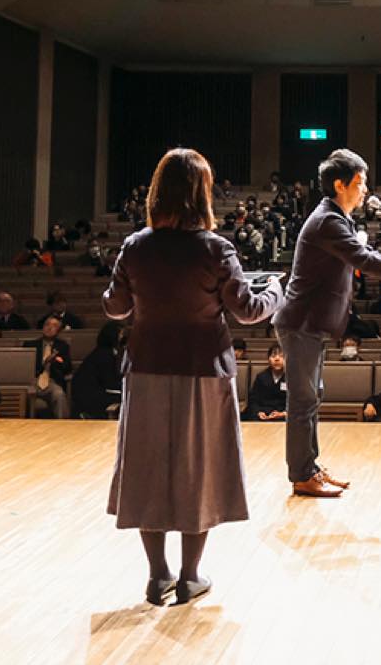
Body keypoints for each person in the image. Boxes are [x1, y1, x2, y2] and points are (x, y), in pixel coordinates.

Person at [103, 148, 285, 606]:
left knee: (147, 469)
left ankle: (156, 575)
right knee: (197, 471)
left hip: (145, 369)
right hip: (203, 370)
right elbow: (246, 311)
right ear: (201, 193)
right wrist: (276, 292)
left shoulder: (135, 247)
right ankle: (190, 576)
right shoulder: (215, 248)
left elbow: (116, 307)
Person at [275, 149, 381, 499]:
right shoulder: (328, 222)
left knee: (311, 397)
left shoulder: (338, 220)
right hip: (301, 322)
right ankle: (302, 475)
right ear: (340, 184)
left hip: (312, 324)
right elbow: (363, 257)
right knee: (302, 402)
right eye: (360, 183)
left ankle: (310, 467)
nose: (365, 189)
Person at [72, 323, 125, 420]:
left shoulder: (104, 352)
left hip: (93, 390)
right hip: (89, 394)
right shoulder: (104, 355)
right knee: (125, 396)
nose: (122, 337)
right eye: (120, 334)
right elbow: (109, 382)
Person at [24, 314, 73, 420]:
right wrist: (44, 362)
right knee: (28, 392)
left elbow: (67, 368)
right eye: (47, 325)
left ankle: (64, 427)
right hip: (33, 380)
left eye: (54, 326)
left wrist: (54, 362)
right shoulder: (30, 344)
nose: (49, 328)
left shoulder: (63, 346)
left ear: (59, 331)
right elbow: (24, 366)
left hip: (52, 381)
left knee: (59, 394)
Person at [244, 346, 288, 422]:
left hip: (283, 414)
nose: (277, 359)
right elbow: (253, 399)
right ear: (268, 359)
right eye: (273, 356)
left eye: (281, 356)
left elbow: (297, 402)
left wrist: (284, 413)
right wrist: (258, 412)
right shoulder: (261, 377)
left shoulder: (292, 378)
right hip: (263, 414)